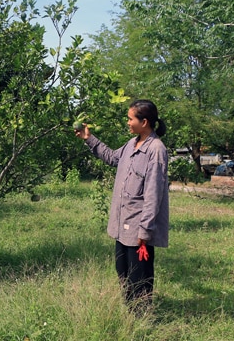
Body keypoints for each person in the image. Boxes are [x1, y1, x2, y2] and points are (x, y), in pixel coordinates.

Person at [74, 99, 169, 313]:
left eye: (130, 118)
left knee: (139, 277)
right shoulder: (131, 144)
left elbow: (154, 194)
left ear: (144, 122)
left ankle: (141, 317)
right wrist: (89, 139)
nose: (127, 122)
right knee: (123, 273)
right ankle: (129, 313)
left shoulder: (156, 150)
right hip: (122, 224)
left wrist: (145, 230)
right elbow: (111, 157)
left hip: (138, 229)